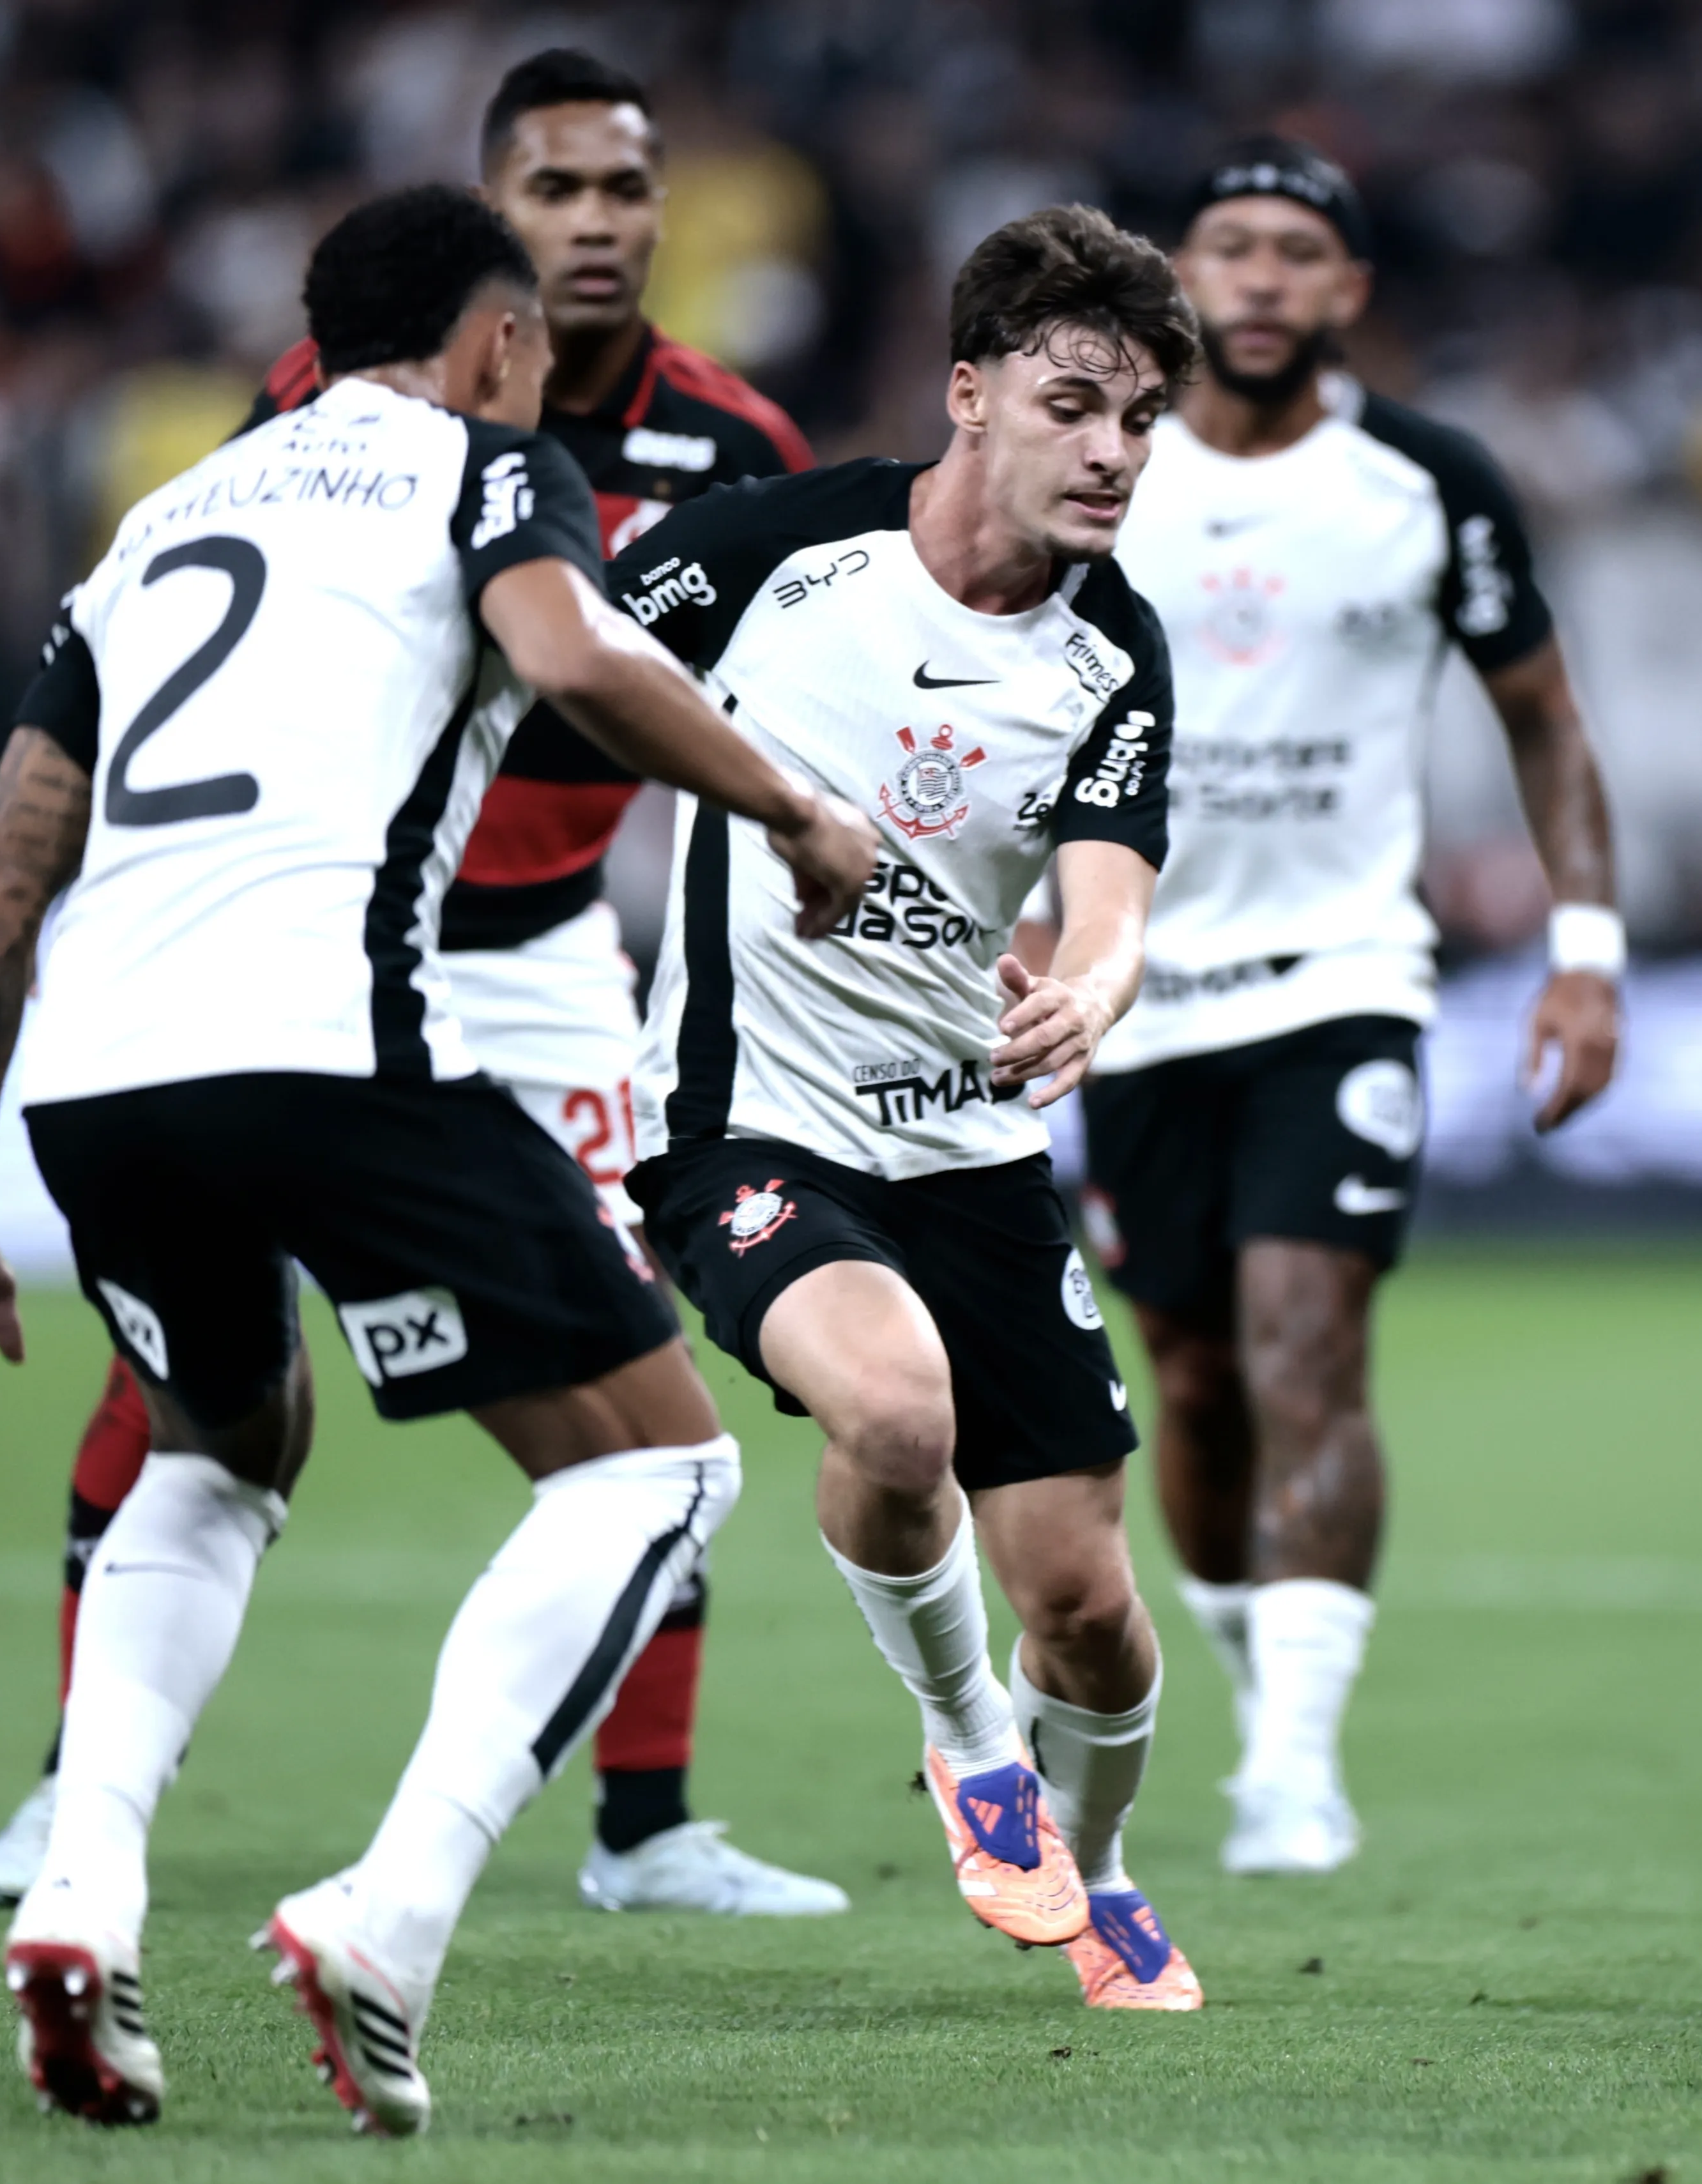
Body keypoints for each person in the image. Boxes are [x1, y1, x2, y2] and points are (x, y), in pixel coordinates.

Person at [0, 185, 878, 2134]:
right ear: (499, 347)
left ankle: (86, 1886)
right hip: (338, 1044)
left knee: (218, 1447)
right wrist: (797, 810)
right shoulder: (496, 479)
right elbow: (573, 660)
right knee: (664, 1460)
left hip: (102, 1077)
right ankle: (387, 1920)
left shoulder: (165, 521)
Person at [612, 204, 1201, 2010]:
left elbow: (1108, 899)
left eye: (1143, 418)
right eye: (1076, 403)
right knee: (891, 1409)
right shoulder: (770, 556)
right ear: (971, 393)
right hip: (748, 1121)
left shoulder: (1118, 653)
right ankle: (971, 1758)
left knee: (1091, 1616)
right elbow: (555, 672)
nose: (1112, 451)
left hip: (976, 1147)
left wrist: (1090, 994)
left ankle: (1091, 1875)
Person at [1063, 139, 1620, 1876]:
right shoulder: (1103, 476)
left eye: (1296, 250)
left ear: (1348, 289)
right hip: (1132, 987)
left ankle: (1292, 1766)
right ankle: (1256, 1693)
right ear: (1182, 273)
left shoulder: (1427, 482)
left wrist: (1585, 947)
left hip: (1343, 980)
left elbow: (1539, 712)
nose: (1259, 277)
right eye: (1228, 245)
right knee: (1199, 1385)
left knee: (1309, 1343)